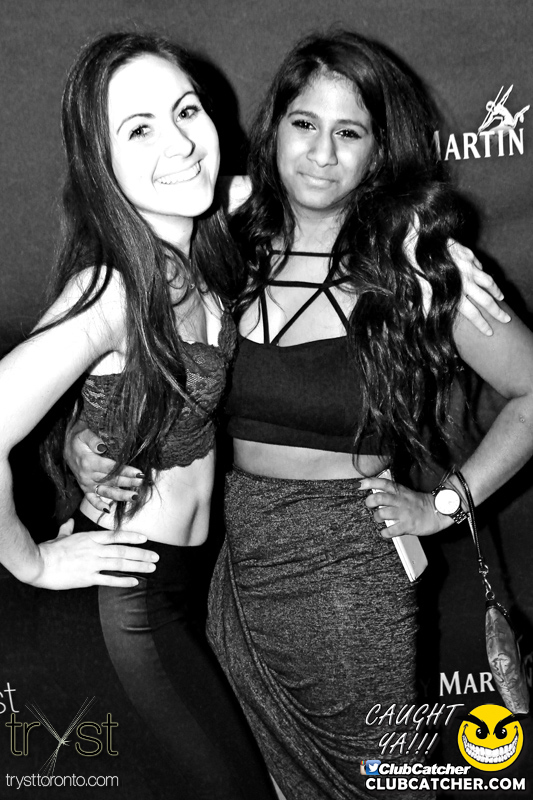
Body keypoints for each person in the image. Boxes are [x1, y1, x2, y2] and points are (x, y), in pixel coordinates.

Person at [64, 31, 525, 800]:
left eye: (349, 132)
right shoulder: (225, 248)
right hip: (236, 572)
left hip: (348, 583)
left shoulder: (413, 273)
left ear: (378, 152)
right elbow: (153, 381)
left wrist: (443, 506)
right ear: (273, 129)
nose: (320, 153)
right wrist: (88, 441)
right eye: (304, 123)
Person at [0, 32, 276, 800]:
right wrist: (29, 562)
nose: (179, 144)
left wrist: (424, 246)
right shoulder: (115, 288)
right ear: (102, 164)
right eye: (139, 129)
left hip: (192, 581)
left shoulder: (202, 238)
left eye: (185, 111)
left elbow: (320, 181)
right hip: (133, 595)